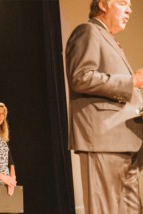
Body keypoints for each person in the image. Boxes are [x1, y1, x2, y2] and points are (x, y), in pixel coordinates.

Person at [65, 0, 143, 213]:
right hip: (103, 139)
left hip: (126, 142)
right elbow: (81, 77)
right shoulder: (87, 31)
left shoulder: (112, 41)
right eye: (122, 3)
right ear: (102, 4)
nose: (129, 9)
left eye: (130, 6)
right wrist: (131, 81)